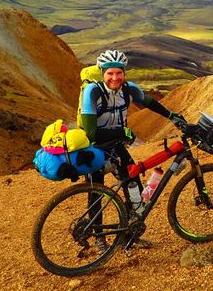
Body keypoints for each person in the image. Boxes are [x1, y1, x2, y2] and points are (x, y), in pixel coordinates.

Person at [78, 49, 185, 253]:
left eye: (119, 73)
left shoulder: (128, 89)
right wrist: (121, 131)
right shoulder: (92, 92)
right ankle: (99, 240)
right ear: (102, 73)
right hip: (93, 148)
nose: (115, 78)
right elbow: (90, 133)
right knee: (96, 193)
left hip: (116, 145)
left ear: (124, 73)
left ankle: (129, 234)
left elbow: (149, 102)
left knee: (133, 182)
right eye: (110, 73)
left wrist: (172, 115)